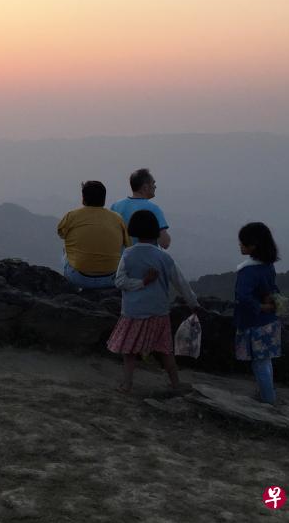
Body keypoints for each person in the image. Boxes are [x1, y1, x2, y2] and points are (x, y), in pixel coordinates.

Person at [108, 210, 200, 394]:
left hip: (133, 313)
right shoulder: (164, 257)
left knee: (129, 352)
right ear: (156, 231)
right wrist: (193, 303)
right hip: (159, 313)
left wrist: (141, 283)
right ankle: (175, 383)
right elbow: (181, 283)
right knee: (165, 350)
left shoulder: (128, 255)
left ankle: (127, 385)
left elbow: (119, 282)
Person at [235, 222, 281, 405]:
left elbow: (243, 297)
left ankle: (268, 400)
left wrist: (261, 307)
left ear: (253, 246)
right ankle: (267, 394)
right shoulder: (268, 266)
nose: (240, 245)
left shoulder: (248, 271)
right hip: (269, 322)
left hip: (254, 323)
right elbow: (272, 289)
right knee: (266, 361)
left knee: (259, 364)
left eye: (242, 242)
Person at [57, 181, 129, 289]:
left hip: (79, 278)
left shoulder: (71, 216)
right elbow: (127, 244)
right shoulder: (117, 218)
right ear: (104, 199)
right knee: (122, 246)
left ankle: (74, 289)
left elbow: (61, 234)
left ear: (83, 198)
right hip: (111, 278)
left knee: (66, 247)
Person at [110, 168, 171, 249]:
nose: (155, 186)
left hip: (121, 256)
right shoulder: (153, 209)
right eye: (153, 183)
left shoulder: (116, 206)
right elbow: (164, 243)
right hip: (145, 256)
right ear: (145, 187)